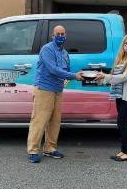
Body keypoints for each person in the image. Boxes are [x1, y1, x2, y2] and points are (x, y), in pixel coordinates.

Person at [27, 25, 83, 163]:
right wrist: (73, 76)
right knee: (39, 120)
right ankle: (33, 150)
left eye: (62, 34)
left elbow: (66, 70)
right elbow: (53, 69)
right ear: (53, 35)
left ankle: (50, 148)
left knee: (55, 121)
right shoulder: (47, 49)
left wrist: (67, 80)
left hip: (58, 90)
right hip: (44, 88)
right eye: (57, 34)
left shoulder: (64, 53)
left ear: (65, 35)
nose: (60, 36)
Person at [95, 33, 127, 161]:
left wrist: (106, 77)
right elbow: (113, 77)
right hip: (119, 94)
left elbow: (124, 77)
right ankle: (124, 150)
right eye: (126, 43)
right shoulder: (120, 59)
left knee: (122, 122)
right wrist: (100, 79)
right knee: (121, 123)